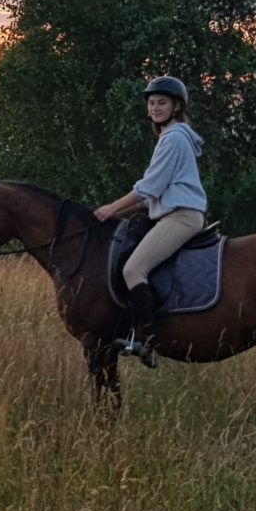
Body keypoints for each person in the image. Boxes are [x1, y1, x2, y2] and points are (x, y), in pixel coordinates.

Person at [93, 76, 206, 367]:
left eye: (162, 103)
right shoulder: (173, 136)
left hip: (181, 217)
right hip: (173, 213)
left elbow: (149, 187)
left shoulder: (174, 139)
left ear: (176, 106)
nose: (155, 108)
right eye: (152, 103)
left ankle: (149, 340)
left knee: (133, 269)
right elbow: (151, 195)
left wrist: (112, 208)